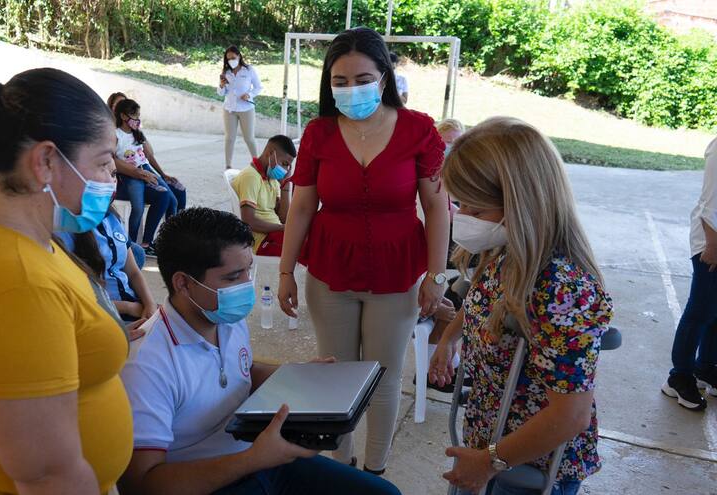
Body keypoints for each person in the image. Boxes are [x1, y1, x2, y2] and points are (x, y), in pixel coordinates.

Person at [0, 68, 134, 495]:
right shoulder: (17, 287)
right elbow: (48, 477)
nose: (112, 180)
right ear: (46, 162)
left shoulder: (27, 237)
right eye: (103, 163)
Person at [117, 207, 400, 495]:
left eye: (248, 270)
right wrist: (253, 459)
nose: (246, 285)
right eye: (232, 277)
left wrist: (300, 377)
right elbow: (142, 483)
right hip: (212, 480)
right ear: (184, 283)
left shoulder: (223, 317)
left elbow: (244, 371)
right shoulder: (147, 365)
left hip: (259, 458)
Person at [277, 27, 450, 474]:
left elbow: (437, 207)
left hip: (396, 273)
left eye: (362, 79)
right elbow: (302, 207)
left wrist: (436, 275)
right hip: (330, 271)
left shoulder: (418, 129)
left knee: (383, 376)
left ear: (384, 77)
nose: (351, 89)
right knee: (337, 374)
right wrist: (285, 271)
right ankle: (342, 466)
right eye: (340, 81)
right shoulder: (319, 132)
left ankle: (375, 470)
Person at [429, 117, 613, 495]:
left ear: (521, 206)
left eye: (476, 210)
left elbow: (571, 414)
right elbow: (483, 299)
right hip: (491, 438)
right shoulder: (505, 250)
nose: (464, 219)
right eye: (461, 205)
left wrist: (488, 463)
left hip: (531, 462)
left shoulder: (561, 289)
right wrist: (449, 338)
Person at [662, 135, 717, 410]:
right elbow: (710, 204)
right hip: (711, 242)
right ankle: (679, 377)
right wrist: (713, 245)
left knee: (715, 311)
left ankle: (705, 367)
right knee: (700, 311)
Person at [56, 198, 158, 324]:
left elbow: (133, 272)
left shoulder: (111, 218)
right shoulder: (64, 230)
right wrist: (127, 307)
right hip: (102, 313)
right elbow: (76, 298)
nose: (111, 185)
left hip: (132, 303)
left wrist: (149, 304)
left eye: (113, 177)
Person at [113, 99, 186, 255]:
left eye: (138, 115)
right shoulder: (116, 134)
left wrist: (163, 175)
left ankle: (162, 241)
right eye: (134, 115)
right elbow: (113, 159)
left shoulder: (137, 133)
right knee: (138, 208)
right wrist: (137, 173)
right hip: (130, 175)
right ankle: (133, 246)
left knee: (172, 199)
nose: (137, 119)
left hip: (145, 168)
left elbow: (149, 156)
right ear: (123, 116)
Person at [231, 135, 296, 256]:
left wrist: (285, 186)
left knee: (312, 240)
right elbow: (249, 221)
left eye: (288, 166)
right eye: (284, 163)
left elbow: (284, 218)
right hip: (262, 241)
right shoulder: (251, 177)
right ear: (270, 154)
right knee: (309, 247)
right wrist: (283, 228)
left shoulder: (272, 178)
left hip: (274, 234)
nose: (286, 170)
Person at [218, 46, 262, 169]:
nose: (231, 60)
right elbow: (221, 93)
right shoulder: (225, 72)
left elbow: (258, 87)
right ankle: (228, 166)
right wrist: (221, 86)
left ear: (239, 56)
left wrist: (249, 95)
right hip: (229, 109)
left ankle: (258, 164)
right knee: (229, 138)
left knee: (249, 138)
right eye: (228, 59)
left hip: (246, 109)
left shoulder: (249, 70)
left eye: (233, 57)